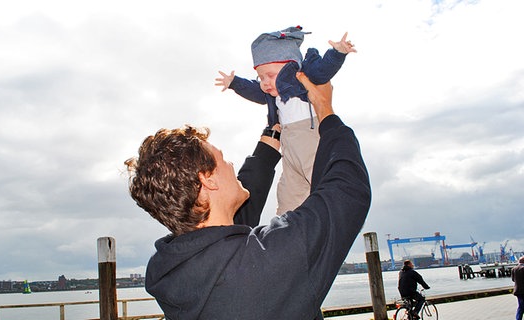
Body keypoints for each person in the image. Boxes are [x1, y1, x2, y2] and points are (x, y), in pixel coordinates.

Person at [125, 72, 371, 320]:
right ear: (207, 180)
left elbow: (230, 225)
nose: (231, 165)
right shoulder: (268, 260)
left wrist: (267, 145)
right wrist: (326, 112)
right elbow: (347, 190)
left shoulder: (174, 270)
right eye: (223, 159)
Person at [215, 25, 356, 215]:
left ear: (289, 65)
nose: (264, 82)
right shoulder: (272, 94)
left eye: (270, 75)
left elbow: (323, 70)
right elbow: (254, 90)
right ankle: (286, 215)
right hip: (288, 145)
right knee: (290, 185)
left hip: (309, 138)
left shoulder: (302, 76)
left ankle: (339, 211)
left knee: (317, 176)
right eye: (260, 77)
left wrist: (337, 53)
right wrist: (235, 83)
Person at [512, 256, 524, 320]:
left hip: (517, 290)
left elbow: (513, 279)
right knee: (521, 307)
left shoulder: (514, 269)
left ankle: (518, 318)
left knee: (521, 305)